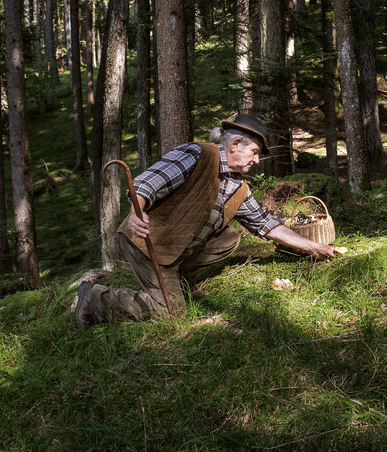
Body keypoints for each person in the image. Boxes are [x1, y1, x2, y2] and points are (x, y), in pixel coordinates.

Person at [74, 113, 339, 327]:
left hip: (178, 248)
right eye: (255, 152)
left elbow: (266, 225)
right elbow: (147, 183)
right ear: (235, 145)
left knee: (230, 238)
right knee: (169, 312)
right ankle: (93, 298)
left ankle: (178, 278)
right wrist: (136, 212)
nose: (257, 160)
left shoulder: (239, 188)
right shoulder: (197, 153)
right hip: (148, 243)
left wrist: (313, 246)